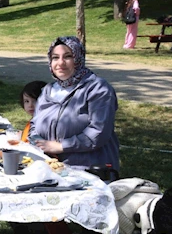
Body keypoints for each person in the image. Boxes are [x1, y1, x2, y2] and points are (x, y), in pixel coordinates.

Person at [30, 36, 120, 172]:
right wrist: (41, 144)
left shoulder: (98, 88)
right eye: (55, 57)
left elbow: (98, 132)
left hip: (89, 168)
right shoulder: (48, 90)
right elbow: (34, 125)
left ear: (78, 59)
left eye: (67, 57)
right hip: (51, 166)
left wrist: (60, 146)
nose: (60, 63)